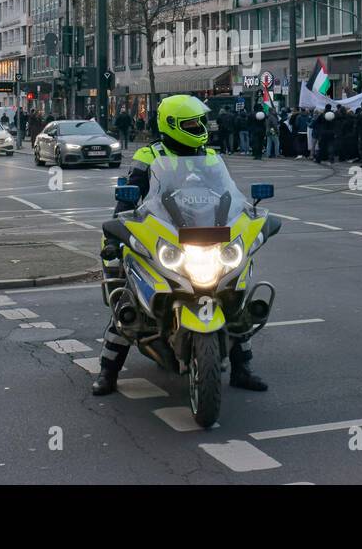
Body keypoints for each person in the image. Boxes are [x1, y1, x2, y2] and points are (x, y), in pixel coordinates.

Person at [92, 94, 266, 396]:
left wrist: (249, 219)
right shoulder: (149, 156)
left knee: (233, 298)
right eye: (191, 123)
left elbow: (229, 195)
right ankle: (108, 372)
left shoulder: (210, 156)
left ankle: (243, 368)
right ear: (171, 125)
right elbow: (128, 199)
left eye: (200, 121)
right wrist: (115, 233)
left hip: (203, 233)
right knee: (128, 302)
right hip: (167, 231)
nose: (199, 127)